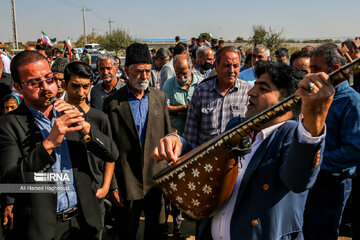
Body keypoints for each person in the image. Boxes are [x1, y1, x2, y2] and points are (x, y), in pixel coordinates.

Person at [152, 61, 336, 239]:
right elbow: (210, 159)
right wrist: (178, 142)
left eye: (263, 89)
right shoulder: (238, 126)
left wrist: (312, 127)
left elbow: (298, 180)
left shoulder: (292, 136)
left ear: (289, 101)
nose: (251, 92)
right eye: (254, 85)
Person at [0, 50, 117, 240]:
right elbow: (8, 184)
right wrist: (47, 145)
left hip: (84, 223)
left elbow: (111, 154)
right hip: (44, 229)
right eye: (34, 83)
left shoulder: (72, 112)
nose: (46, 87)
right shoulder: (8, 125)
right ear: (18, 87)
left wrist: (87, 129)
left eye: (49, 78)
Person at [103, 43, 171, 240]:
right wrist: (113, 184)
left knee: (156, 232)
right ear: (126, 71)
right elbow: (109, 146)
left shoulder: (159, 98)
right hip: (127, 180)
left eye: (147, 71)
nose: (144, 76)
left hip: (156, 179)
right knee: (126, 232)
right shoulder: (113, 102)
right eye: (139, 71)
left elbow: (167, 138)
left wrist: (168, 179)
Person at [303, 43, 360, 240]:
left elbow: (354, 149)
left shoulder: (351, 101)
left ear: (335, 69)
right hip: (310, 181)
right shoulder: (314, 96)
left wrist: (315, 163)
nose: (310, 74)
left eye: (316, 69)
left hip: (331, 184)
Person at [63, 61, 118, 238]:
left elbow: (111, 155)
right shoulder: (57, 118)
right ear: (64, 85)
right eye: (75, 86)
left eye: (85, 87)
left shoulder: (99, 118)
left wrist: (105, 187)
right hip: (67, 197)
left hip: (95, 193)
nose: (81, 93)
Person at [183, 46, 252, 146]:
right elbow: (191, 132)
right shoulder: (201, 91)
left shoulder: (248, 92)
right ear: (215, 66)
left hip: (238, 159)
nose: (231, 70)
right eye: (226, 65)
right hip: (207, 158)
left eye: (235, 66)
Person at [163, 54, 203, 135]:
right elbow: (164, 108)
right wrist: (183, 108)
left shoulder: (201, 84)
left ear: (191, 68)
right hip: (177, 134)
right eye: (177, 73)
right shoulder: (169, 84)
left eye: (184, 73)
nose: (181, 76)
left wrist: (190, 115)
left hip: (196, 134)